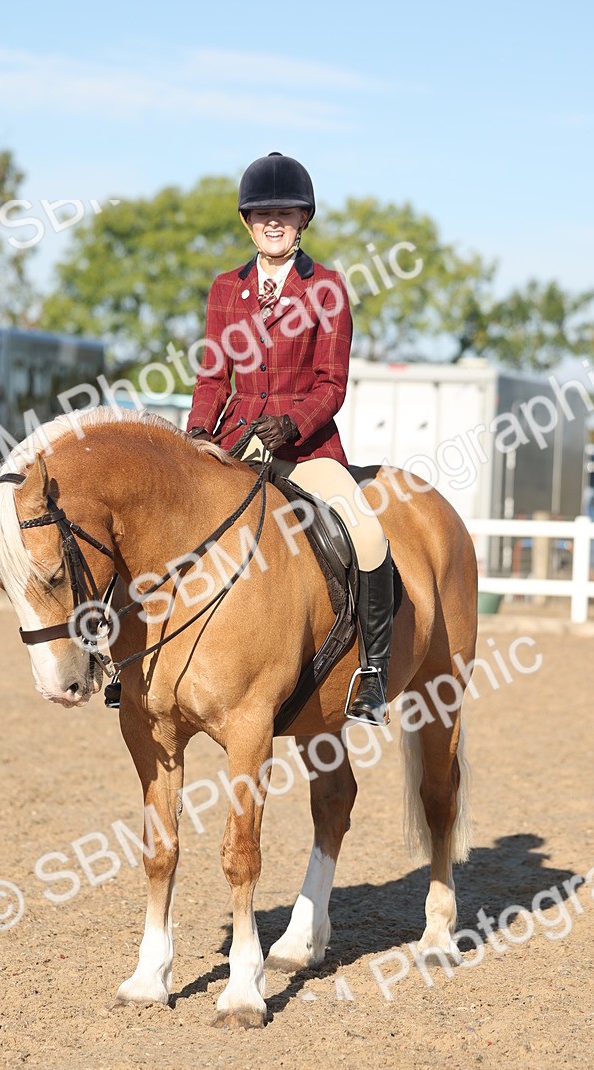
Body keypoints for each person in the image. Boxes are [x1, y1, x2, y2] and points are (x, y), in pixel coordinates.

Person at [187, 152, 394, 723]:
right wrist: (199, 434)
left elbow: (332, 384)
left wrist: (292, 424)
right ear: (247, 221)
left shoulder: (327, 288)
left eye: (285, 212)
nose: (272, 222)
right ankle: (133, 670)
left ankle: (373, 672)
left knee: (368, 534)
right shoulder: (226, 288)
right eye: (261, 213)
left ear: (303, 218)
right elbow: (212, 377)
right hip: (234, 440)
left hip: (306, 449)